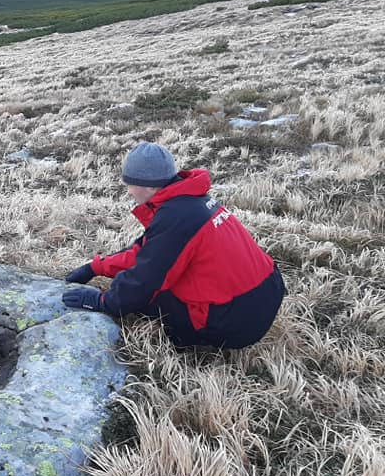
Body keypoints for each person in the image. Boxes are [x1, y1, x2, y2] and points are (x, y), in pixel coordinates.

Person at [60, 142, 285, 349]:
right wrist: (95, 267)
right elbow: (146, 253)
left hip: (234, 324)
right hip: (263, 299)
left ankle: (187, 344)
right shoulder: (192, 202)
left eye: (130, 184)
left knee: (150, 296)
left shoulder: (176, 217)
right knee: (163, 276)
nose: (129, 191)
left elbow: (144, 280)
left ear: (147, 186)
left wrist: (103, 302)